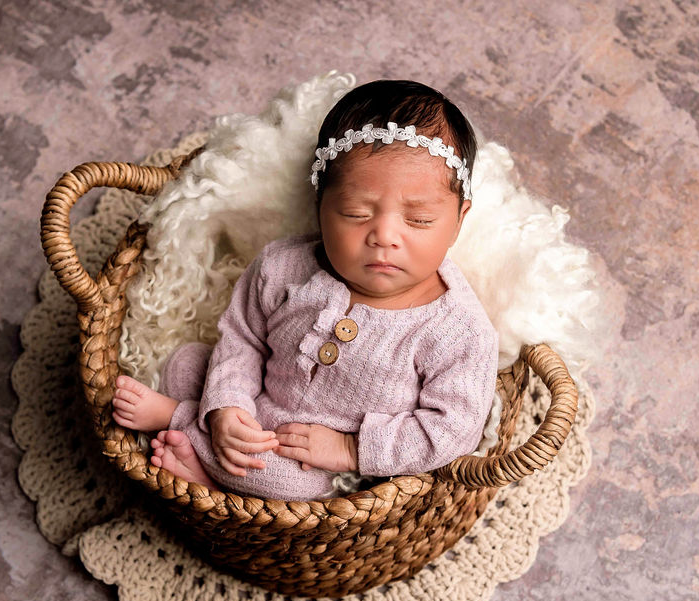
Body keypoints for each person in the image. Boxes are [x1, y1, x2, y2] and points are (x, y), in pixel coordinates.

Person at [111, 80, 499, 501]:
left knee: (288, 484)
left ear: (458, 221)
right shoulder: (283, 266)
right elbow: (243, 337)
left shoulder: (459, 332)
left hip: (311, 461)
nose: (385, 237)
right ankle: (210, 442)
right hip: (254, 404)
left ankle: (181, 424)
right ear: (321, 206)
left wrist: (350, 448)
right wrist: (228, 406)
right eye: (356, 213)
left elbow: (451, 430)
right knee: (186, 364)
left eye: (419, 220)